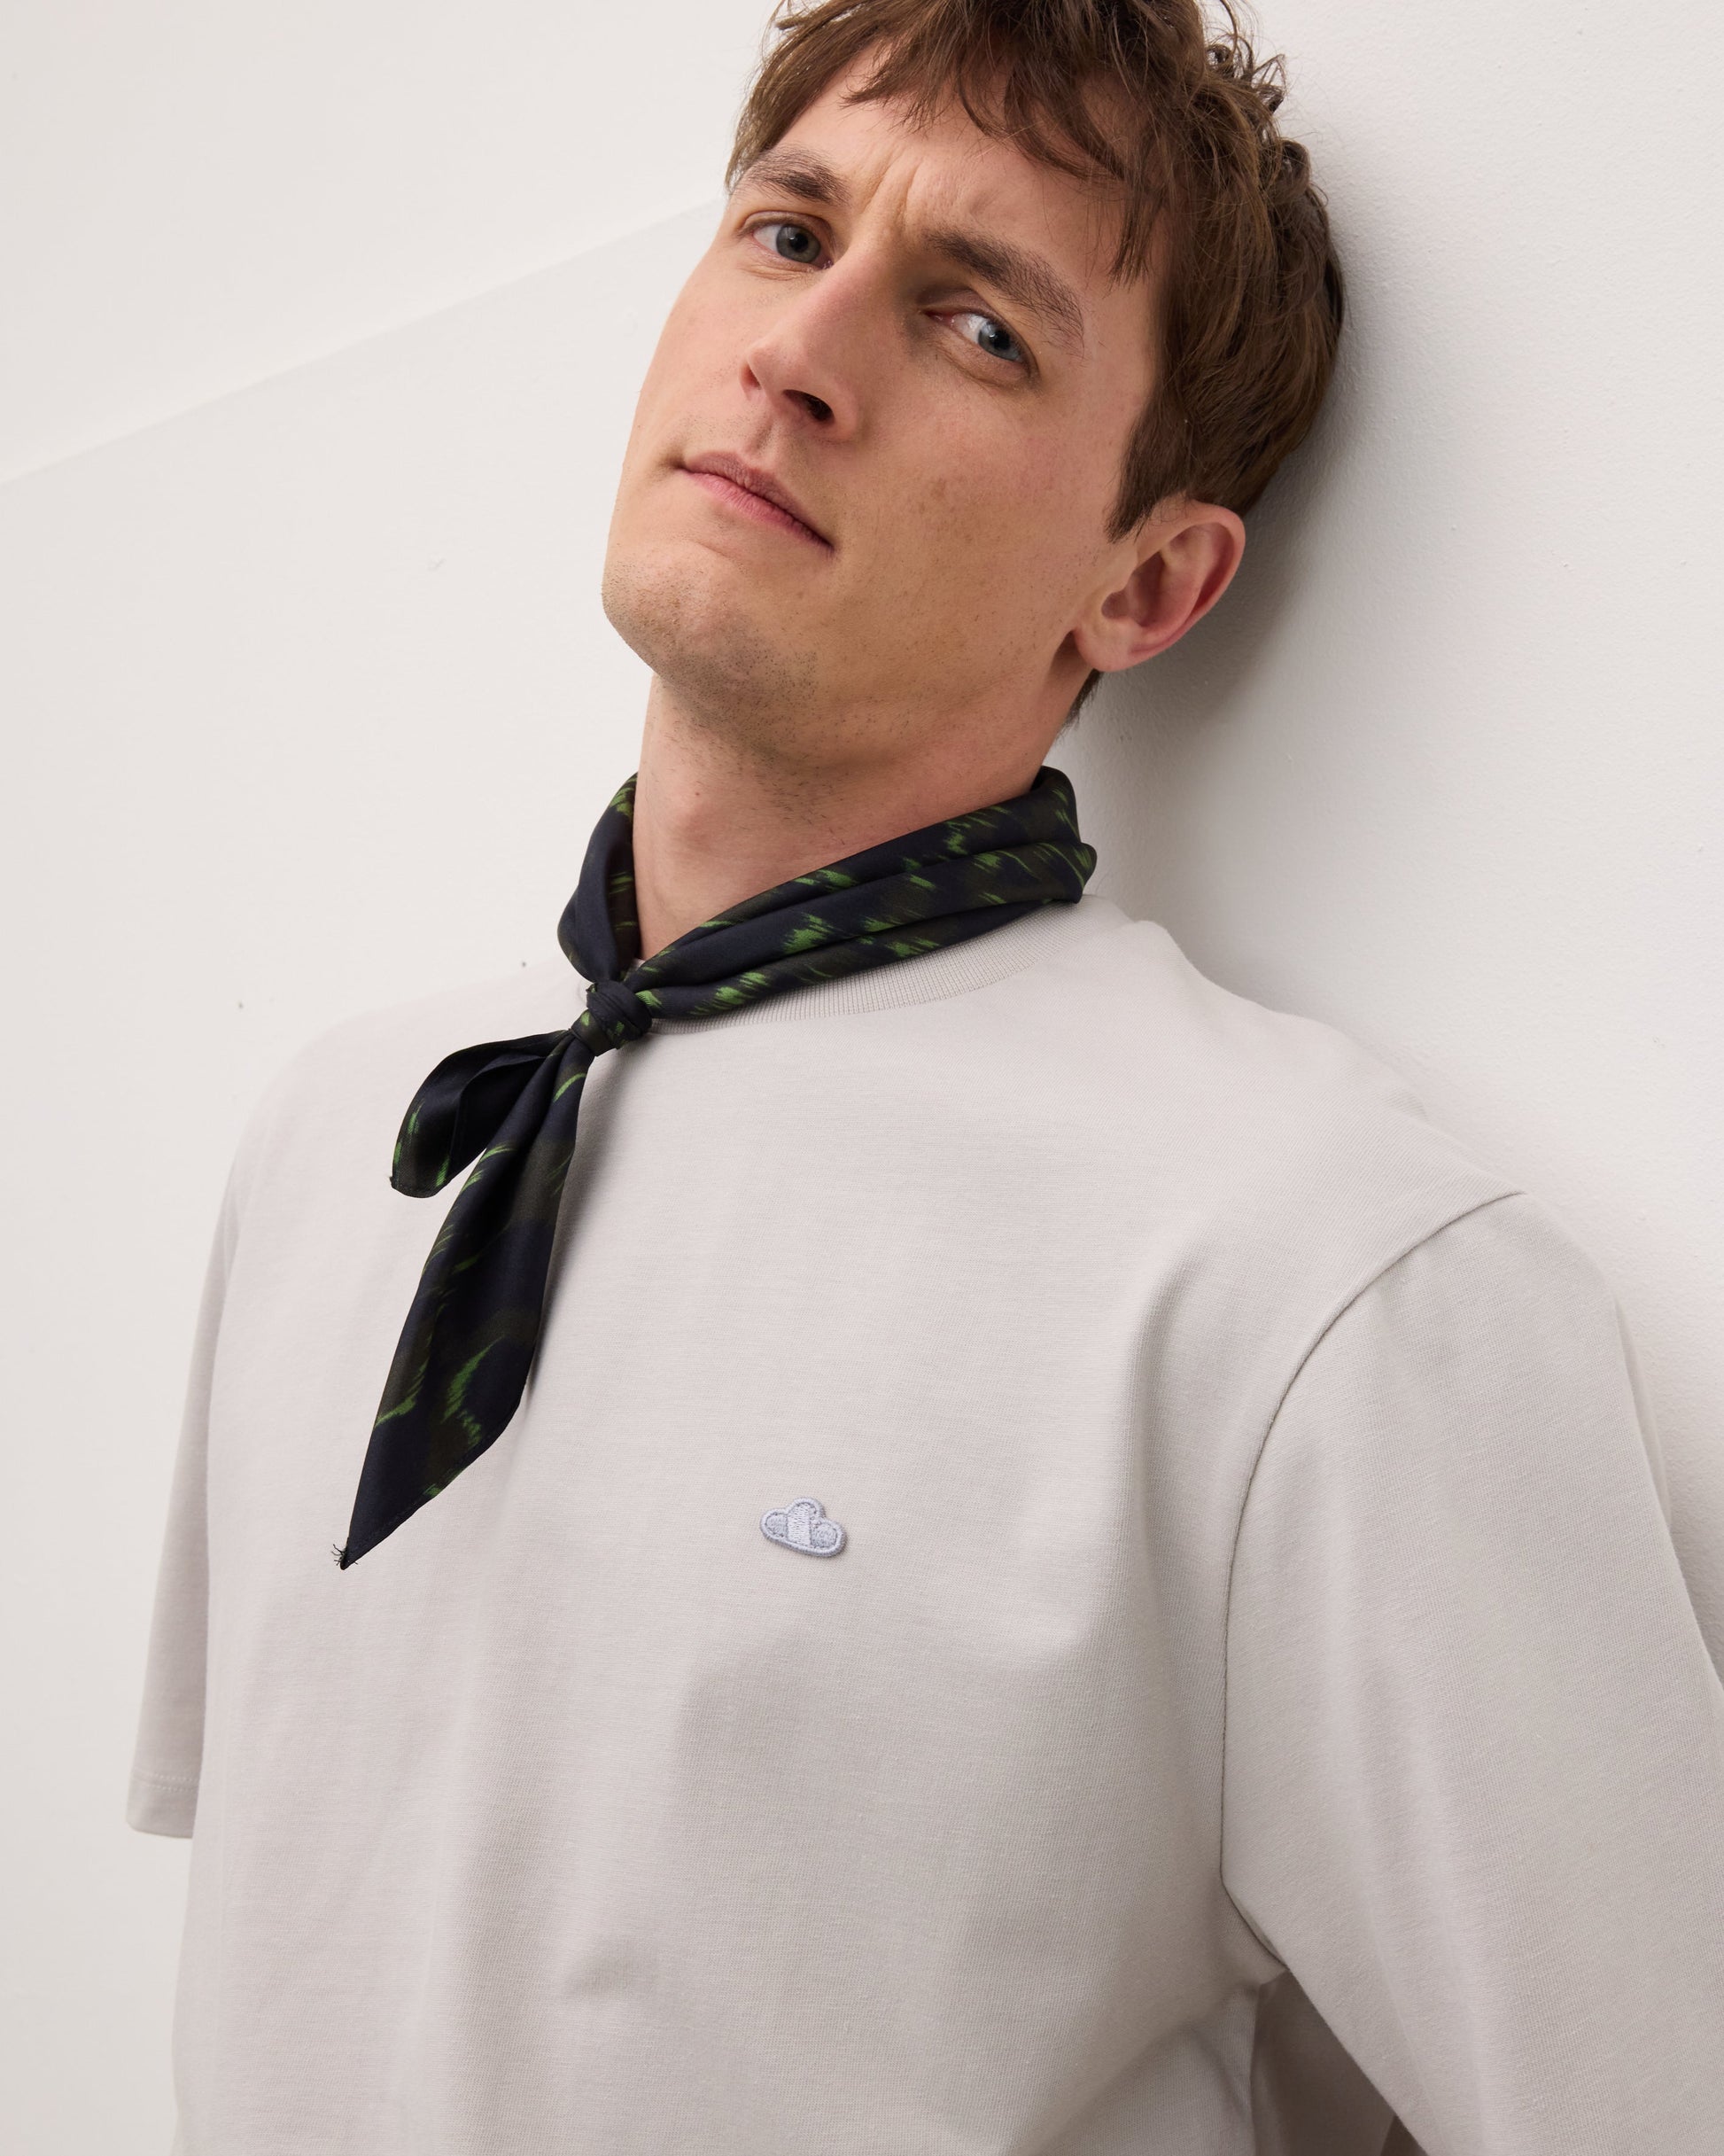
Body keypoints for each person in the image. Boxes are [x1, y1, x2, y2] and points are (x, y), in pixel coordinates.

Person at [127, 0, 1724, 2150]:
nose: (800, 356)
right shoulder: (348, 1131)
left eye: (980, 327)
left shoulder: (1317, 1281)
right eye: (787, 233)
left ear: (1148, 581)